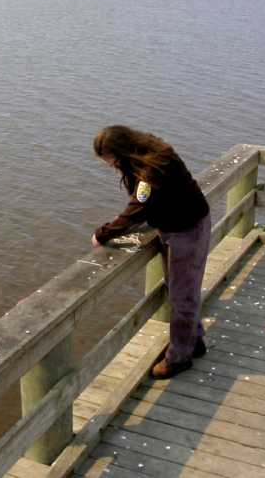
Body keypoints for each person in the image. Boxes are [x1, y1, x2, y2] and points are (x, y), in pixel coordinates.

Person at [90, 125, 211, 379]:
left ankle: (179, 358)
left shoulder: (153, 169)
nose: (110, 165)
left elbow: (138, 206)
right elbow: (143, 201)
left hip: (187, 231)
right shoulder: (151, 154)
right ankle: (193, 342)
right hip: (177, 226)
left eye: (110, 160)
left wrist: (103, 233)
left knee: (181, 296)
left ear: (122, 152)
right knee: (179, 290)